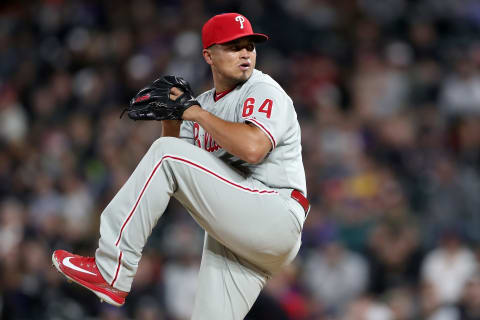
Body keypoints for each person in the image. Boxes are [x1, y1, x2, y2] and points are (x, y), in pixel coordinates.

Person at [52, 12, 308, 319]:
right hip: (241, 235)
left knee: (165, 154)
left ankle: (111, 269)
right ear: (208, 55)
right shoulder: (203, 105)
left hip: (275, 211)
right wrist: (171, 119)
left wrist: (195, 114)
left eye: (249, 46)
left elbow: (253, 148)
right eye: (233, 46)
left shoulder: (262, 90)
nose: (245, 53)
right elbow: (175, 174)